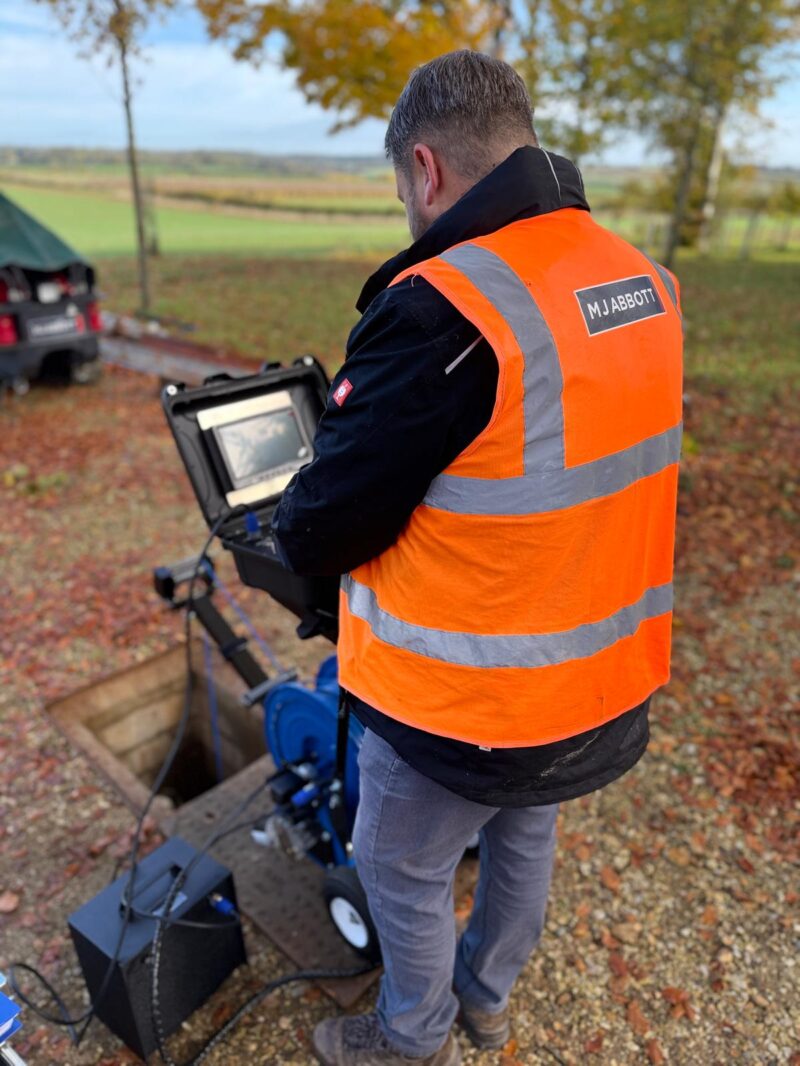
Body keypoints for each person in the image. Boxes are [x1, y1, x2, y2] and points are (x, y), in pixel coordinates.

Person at [271, 50, 683, 1066]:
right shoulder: (638, 280)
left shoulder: (444, 309)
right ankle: (485, 1002)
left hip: (465, 701)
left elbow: (320, 526)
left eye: (400, 191)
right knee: (521, 836)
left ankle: (411, 1038)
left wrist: (288, 521)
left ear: (424, 168)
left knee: (398, 866)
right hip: (592, 680)